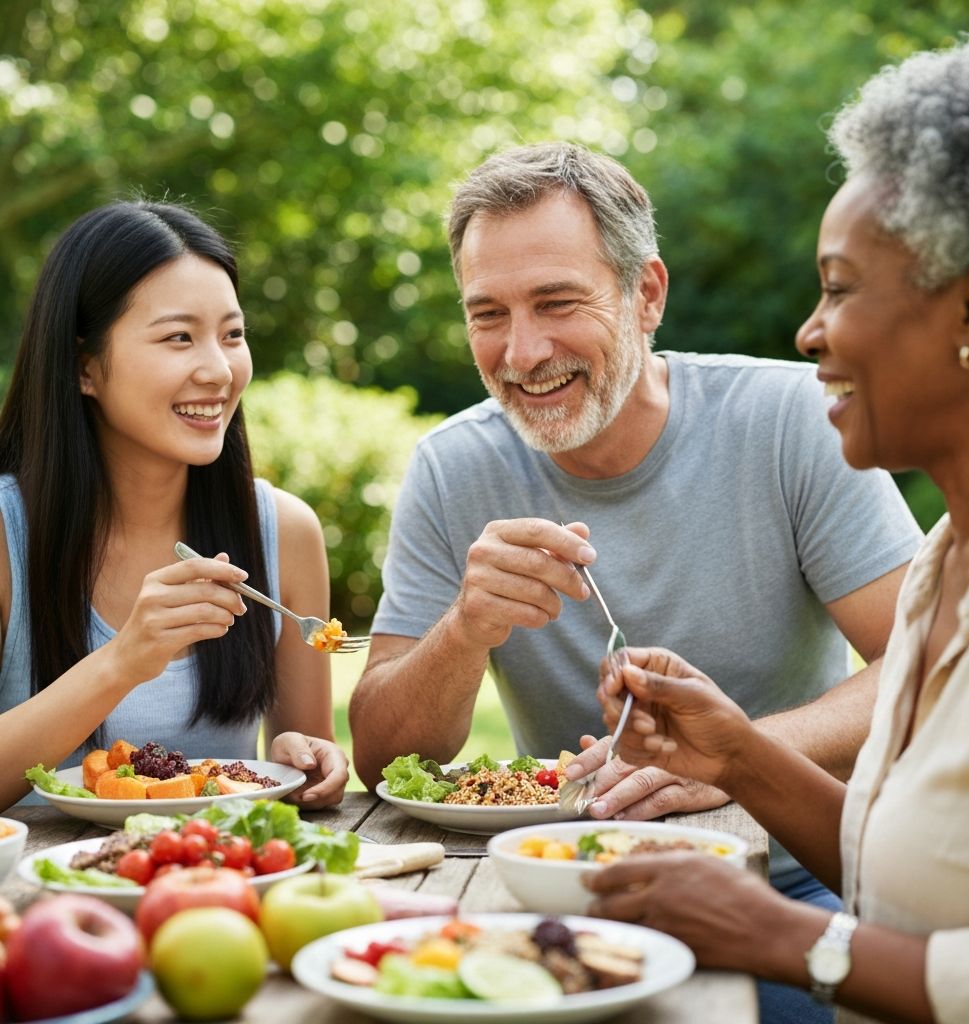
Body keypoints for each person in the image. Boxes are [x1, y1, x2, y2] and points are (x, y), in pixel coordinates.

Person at [349, 143, 921, 1020]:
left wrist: (738, 759)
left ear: (645, 293)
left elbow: (927, 667)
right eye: (487, 314)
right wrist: (463, 629)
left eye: (557, 303)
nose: (522, 351)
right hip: (550, 891)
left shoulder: (789, 420)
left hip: (789, 882)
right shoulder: (451, 467)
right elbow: (386, 758)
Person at [584, 31, 969, 1024]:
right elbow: (911, 876)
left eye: (838, 286)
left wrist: (783, 937)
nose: (807, 331)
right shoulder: (948, 562)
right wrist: (735, 754)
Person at [0, 200, 349, 811]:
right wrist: (123, 660)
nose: (218, 369)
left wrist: (301, 755)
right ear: (85, 367)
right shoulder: (8, 536)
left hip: (211, 888)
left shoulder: (284, 532)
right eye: (178, 337)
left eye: (232, 335)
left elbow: (300, 766)